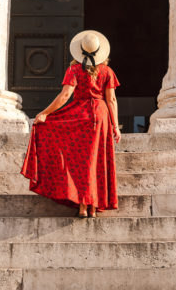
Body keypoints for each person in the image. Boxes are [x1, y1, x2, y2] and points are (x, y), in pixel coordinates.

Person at [20, 29, 121, 217]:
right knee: (96, 161)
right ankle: (93, 205)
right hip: (101, 116)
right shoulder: (107, 71)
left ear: (80, 51)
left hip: (79, 116)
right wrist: (115, 126)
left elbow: (65, 95)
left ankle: (83, 205)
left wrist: (44, 113)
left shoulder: (74, 70)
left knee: (80, 161)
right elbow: (112, 100)